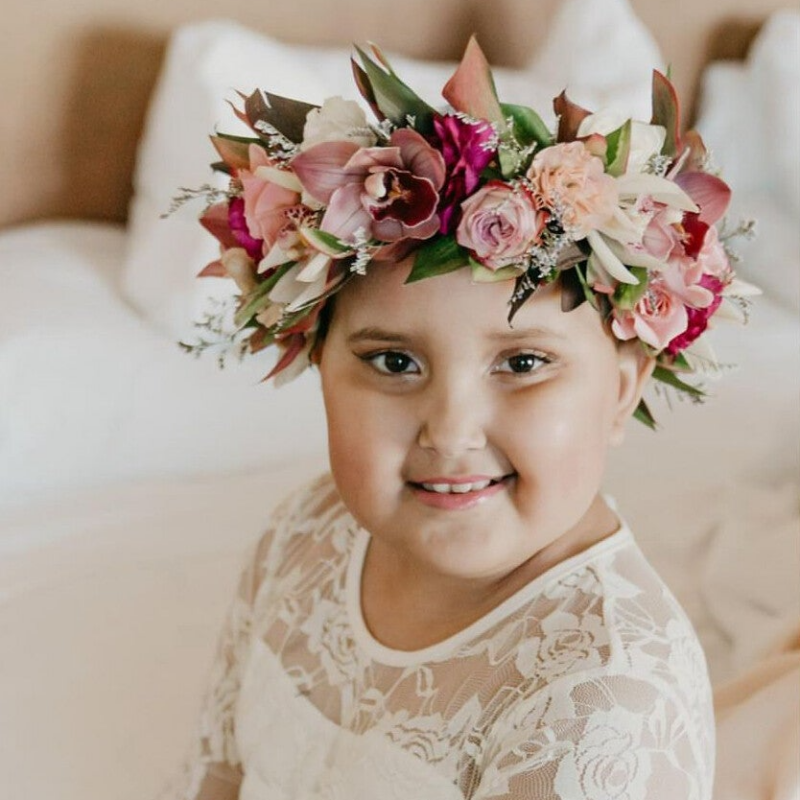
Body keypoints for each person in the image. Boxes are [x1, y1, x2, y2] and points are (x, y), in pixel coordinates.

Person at [161, 37, 754, 799]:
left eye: (523, 363)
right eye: (394, 363)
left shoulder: (601, 707)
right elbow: (219, 773)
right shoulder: (306, 532)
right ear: (317, 365)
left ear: (622, 388)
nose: (450, 431)